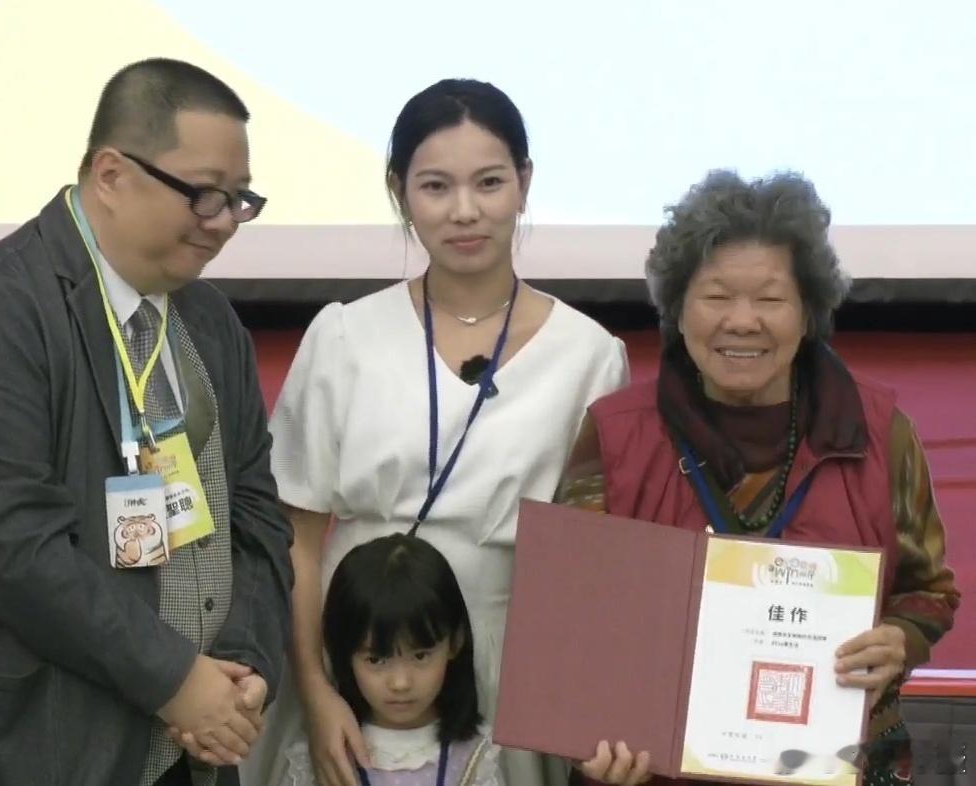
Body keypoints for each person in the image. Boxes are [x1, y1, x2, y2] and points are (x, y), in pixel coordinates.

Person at [0, 58, 294, 786]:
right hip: (22, 751)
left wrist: (243, 666)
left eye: (239, 199)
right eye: (203, 194)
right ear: (112, 175)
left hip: (192, 745)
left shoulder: (211, 322)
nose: (223, 222)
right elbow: (14, 547)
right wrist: (174, 679)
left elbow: (254, 514)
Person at [240, 78, 629, 786]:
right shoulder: (343, 336)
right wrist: (317, 688)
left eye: (489, 182)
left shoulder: (589, 356)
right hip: (358, 652)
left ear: (524, 182)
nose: (464, 211)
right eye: (435, 187)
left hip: (504, 657)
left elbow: (593, 568)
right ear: (399, 193)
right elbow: (295, 538)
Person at [556, 170, 961, 786]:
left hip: (837, 766)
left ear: (807, 313)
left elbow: (927, 591)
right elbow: (570, 619)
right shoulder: (615, 436)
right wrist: (590, 738)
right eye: (717, 297)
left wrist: (899, 639)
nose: (742, 321)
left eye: (770, 300)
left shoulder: (880, 432)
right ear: (677, 309)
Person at [280, 533, 505, 786]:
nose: (400, 683)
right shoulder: (329, 750)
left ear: (455, 642)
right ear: (344, 652)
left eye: (420, 656)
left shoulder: (474, 756)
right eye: (376, 660)